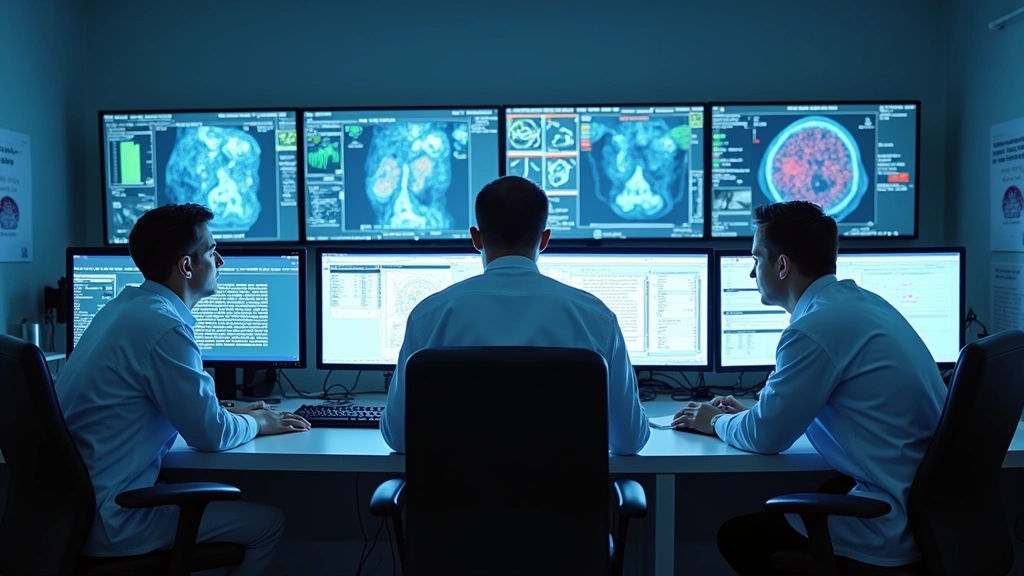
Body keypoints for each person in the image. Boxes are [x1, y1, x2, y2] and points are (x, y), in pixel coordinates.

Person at [671, 201, 946, 572]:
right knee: (823, 491)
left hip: (888, 521)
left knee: (738, 538)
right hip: (922, 506)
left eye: (756, 260)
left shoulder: (813, 328)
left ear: (782, 266)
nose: (752, 274)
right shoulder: (862, 304)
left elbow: (766, 438)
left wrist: (714, 421)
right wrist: (756, 414)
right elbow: (807, 409)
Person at [57, 203, 310, 575]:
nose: (220, 261)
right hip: (118, 520)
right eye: (211, 250)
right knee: (267, 523)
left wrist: (226, 409)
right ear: (187, 266)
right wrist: (260, 423)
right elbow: (210, 435)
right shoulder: (165, 327)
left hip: (72, 516)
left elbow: (146, 403)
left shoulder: (121, 309)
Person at [380, 175, 650, 455]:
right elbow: (629, 442)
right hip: (561, 498)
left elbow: (398, 439)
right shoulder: (596, 318)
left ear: (476, 238)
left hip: (459, 497)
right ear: (545, 239)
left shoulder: (429, 316)